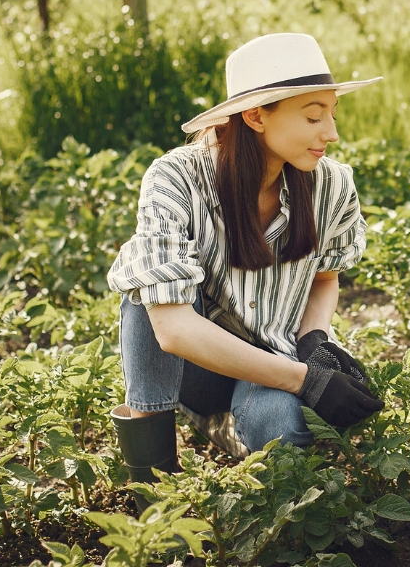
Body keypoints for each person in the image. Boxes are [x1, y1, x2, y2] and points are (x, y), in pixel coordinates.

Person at [105, 33, 386, 485]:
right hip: (195, 370)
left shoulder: (332, 185)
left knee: (282, 433)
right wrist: (305, 381)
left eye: (332, 114)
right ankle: (151, 485)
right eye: (314, 116)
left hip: (276, 358)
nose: (331, 133)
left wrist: (313, 342)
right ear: (256, 116)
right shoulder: (177, 179)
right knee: (145, 293)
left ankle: (234, 432)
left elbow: (324, 277)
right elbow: (172, 330)